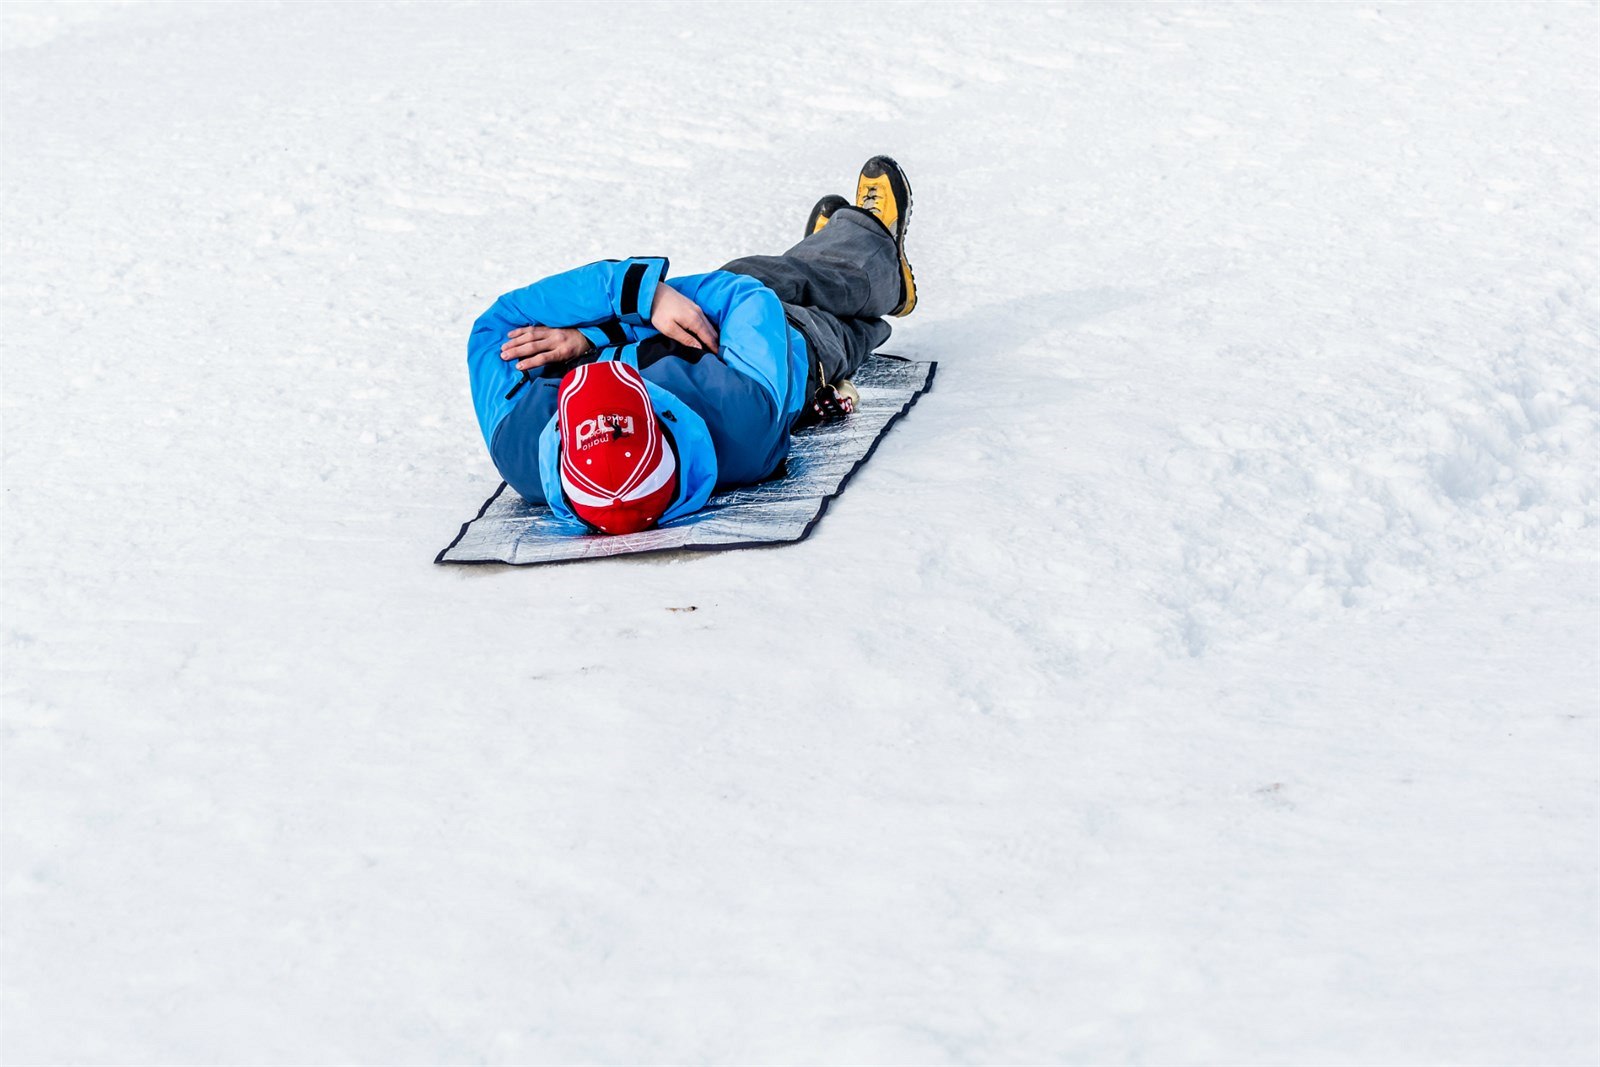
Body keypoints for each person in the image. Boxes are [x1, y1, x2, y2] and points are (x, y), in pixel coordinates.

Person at [465, 156, 917, 535]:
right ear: (664, 421)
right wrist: (647, 301)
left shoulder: (519, 448)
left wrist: (611, 321)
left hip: (725, 345)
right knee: (763, 279)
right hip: (800, 345)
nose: (597, 370)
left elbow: (496, 326)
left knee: (783, 281)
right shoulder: (741, 417)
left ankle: (837, 248)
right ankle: (873, 250)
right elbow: (744, 298)